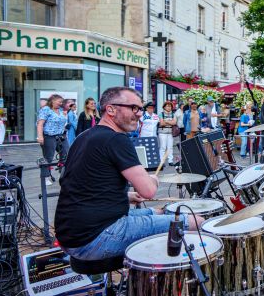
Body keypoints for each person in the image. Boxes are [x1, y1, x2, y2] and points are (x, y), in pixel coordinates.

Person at [55, 87, 202, 261]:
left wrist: (125, 196)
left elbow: (79, 186)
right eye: (133, 108)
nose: (139, 114)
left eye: (140, 108)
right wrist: (153, 179)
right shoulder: (116, 139)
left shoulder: (84, 137)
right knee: (196, 221)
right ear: (111, 109)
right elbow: (148, 191)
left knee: (161, 212)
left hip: (71, 235)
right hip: (96, 236)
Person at [37, 94, 69, 185]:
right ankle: (46, 177)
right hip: (49, 136)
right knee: (48, 157)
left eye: (62, 102)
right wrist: (40, 136)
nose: (61, 103)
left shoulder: (61, 110)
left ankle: (62, 174)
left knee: (66, 155)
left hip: (61, 136)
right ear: (53, 100)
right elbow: (40, 123)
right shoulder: (45, 110)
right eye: (59, 101)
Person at [158, 101, 177, 166]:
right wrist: (170, 121)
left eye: (170, 106)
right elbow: (161, 123)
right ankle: (162, 161)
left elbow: (174, 123)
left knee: (170, 147)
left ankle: (170, 161)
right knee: (163, 147)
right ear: (164, 107)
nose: (169, 107)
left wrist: (166, 121)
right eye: (167, 106)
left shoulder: (173, 114)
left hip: (170, 133)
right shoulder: (161, 114)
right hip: (162, 133)